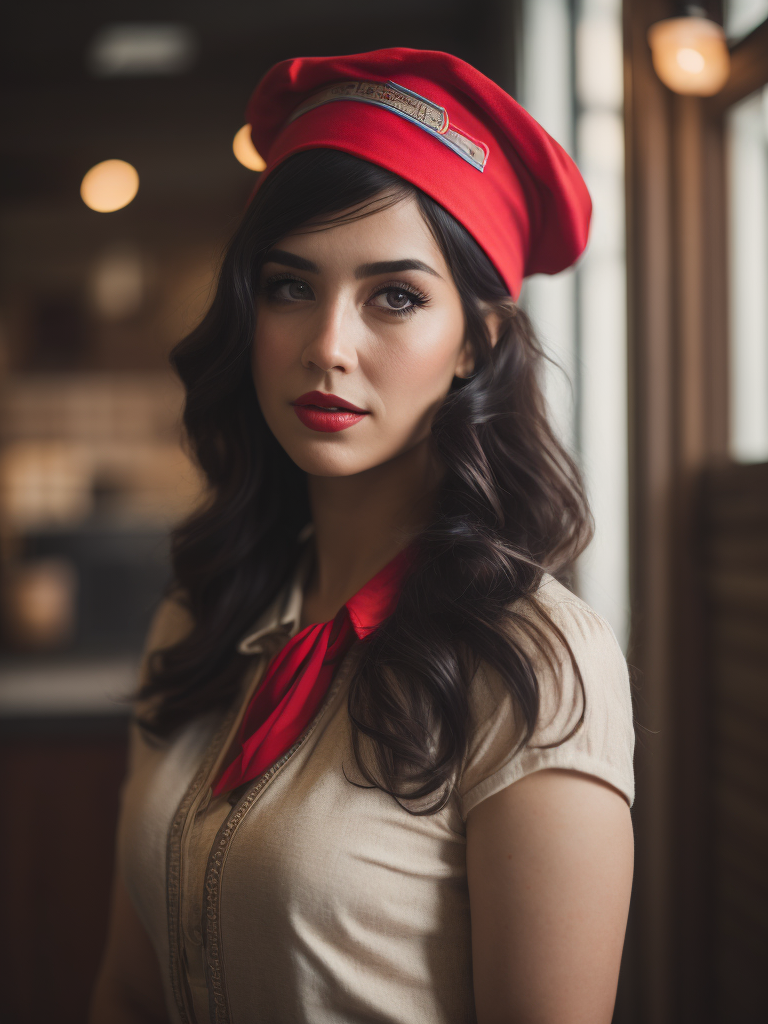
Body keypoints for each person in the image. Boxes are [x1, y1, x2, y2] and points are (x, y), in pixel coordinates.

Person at [90, 48, 634, 1024]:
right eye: (292, 287)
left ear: (480, 341)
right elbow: (130, 990)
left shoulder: (536, 660)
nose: (327, 346)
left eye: (395, 296)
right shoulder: (200, 613)